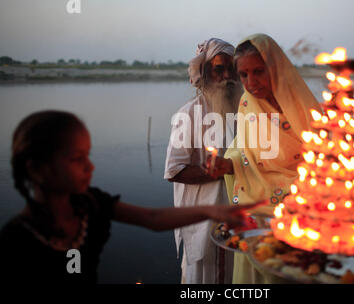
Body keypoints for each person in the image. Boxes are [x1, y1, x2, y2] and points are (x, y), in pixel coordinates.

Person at [0, 110, 259, 284]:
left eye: (88, 156)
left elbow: (152, 217)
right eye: (77, 159)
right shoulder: (17, 240)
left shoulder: (90, 203)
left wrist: (212, 212)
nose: (90, 167)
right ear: (36, 169)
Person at [208, 33, 322, 283]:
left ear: (276, 68)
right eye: (244, 75)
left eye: (259, 71)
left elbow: (324, 164)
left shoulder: (305, 109)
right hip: (253, 216)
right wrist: (226, 164)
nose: (251, 82)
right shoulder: (248, 105)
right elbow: (243, 153)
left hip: (296, 216)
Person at [164, 38, 243, 284]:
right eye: (219, 68)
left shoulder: (246, 112)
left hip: (240, 219)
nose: (228, 76)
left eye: (233, 69)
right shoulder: (188, 114)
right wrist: (222, 170)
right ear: (204, 72)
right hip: (203, 221)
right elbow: (174, 171)